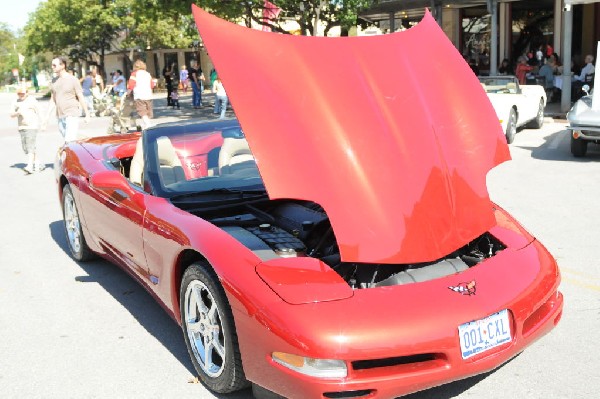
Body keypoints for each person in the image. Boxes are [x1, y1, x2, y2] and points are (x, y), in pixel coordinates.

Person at [47, 56, 90, 142]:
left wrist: (87, 114)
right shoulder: (54, 81)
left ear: (62, 65)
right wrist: (46, 117)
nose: (52, 67)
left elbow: (80, 97)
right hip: (60, 115)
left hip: (71, 114)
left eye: (54, 65)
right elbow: (52, 100)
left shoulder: (73, 79)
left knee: (69, 141)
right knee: (69, 141)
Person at [11, 87, 43, 173]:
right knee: (26, 148)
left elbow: (40, 111)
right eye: (19, 94)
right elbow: (11, 114)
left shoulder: (32, 100)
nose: (21, 95)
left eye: (23, 93)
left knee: (30, 146)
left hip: (32, 126)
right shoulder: (16, 102)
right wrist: (18, 112)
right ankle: (38, 164)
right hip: (21, 127)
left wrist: (43, 123)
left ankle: (29, 166)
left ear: (27, 93)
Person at [127, 59, 155, 129]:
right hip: (148, 95)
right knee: (148, 110)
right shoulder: (147, 74)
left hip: (139, 95)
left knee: (142, 110)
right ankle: (147, 123)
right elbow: (152, 85)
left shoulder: (134, 74)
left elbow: (131, 84)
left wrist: (128, 92)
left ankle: (147, 124)